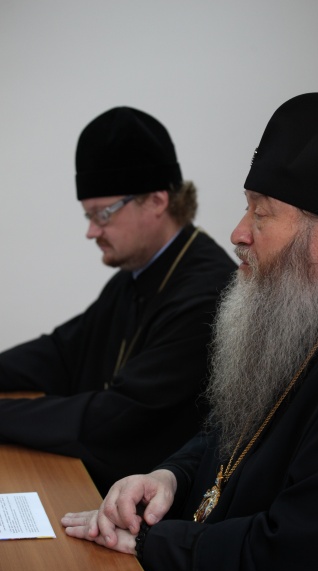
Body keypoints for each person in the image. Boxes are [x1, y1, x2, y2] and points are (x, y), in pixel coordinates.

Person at [61, 93, 318, 571]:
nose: (238, 232)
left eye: (262, 214)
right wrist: (170, 476)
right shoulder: (298, 309)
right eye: (247, 206)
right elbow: (234, 436)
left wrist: (152, 542)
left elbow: (303, 557)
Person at [0, 107, 236, 496]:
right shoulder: (138, 272)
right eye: (88, 216)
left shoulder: (206, 293)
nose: (91, 231)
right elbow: (62, 353)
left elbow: (116, 418)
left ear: (156, 201)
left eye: (102, 215)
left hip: (148, 507)